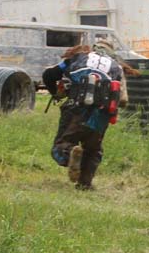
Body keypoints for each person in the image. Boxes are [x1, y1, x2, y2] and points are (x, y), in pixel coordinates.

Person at [42, 41, 131, 190]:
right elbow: (123, 100)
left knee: (61, 144)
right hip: (102, 113)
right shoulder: (117, 67)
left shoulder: (78, 57)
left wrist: (55, 94)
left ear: (93, 49)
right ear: (112, 53)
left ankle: (70, 154)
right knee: (93, 150)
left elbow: (48, 75)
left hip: (75, 107)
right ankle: (85, 184)